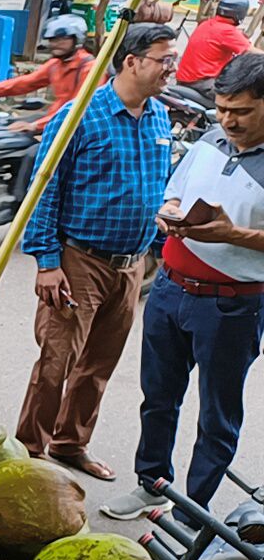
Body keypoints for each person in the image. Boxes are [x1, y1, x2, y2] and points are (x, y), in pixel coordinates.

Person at [102, 53, 264, 519]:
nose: (228, 120)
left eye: (241, 112)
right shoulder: (209, 140)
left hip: (233, 305)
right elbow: (175, 191)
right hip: (171, 290)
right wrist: (169, 212)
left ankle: (193, 512)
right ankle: (152, 484)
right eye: (222, 108)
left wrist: (233, 234)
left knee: (217, 414)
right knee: (158, 396)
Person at [18, 24, 177, 482]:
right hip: (78, 261)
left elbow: (157, 184)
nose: (172, 67)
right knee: (56, 362)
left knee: (98, 365)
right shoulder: (81, 115)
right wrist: (47, 263)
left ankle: (70, 444)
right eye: (164, 59)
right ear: (132, 61)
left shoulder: (160, 117)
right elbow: (43, 193)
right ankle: (31, 453)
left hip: (131, 263)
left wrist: (164, 215)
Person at [0, 14, 95, 226]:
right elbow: (24, 83)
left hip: (79, 127)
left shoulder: (89, 69)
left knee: (33, 153)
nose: (56, 44)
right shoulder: (56, 65)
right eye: (53, 40)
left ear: (76, 39)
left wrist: (35, 126)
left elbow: (79, 109)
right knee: (4, 129)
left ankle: (18, 204)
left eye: (62, 39)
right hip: (55, 118)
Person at [176, 0, 257, 101]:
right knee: (250, 98)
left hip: (184, 80)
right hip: (203, 84)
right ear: (240, 13)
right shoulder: (227, 31)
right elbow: (252, 52)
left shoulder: (207, 24)